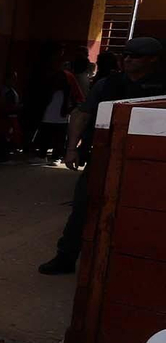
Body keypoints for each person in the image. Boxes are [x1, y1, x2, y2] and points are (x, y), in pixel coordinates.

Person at [40, 37, 166, 274]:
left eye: (135, 56)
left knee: (139, 212)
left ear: (153, 59)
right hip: (104, 156)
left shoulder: (162, 86)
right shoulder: (108, 84)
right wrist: (71, 149)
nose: (128, 60)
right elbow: (82, 114)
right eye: (126, 55)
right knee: (83, 206)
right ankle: (66, 257)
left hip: (148, 163)